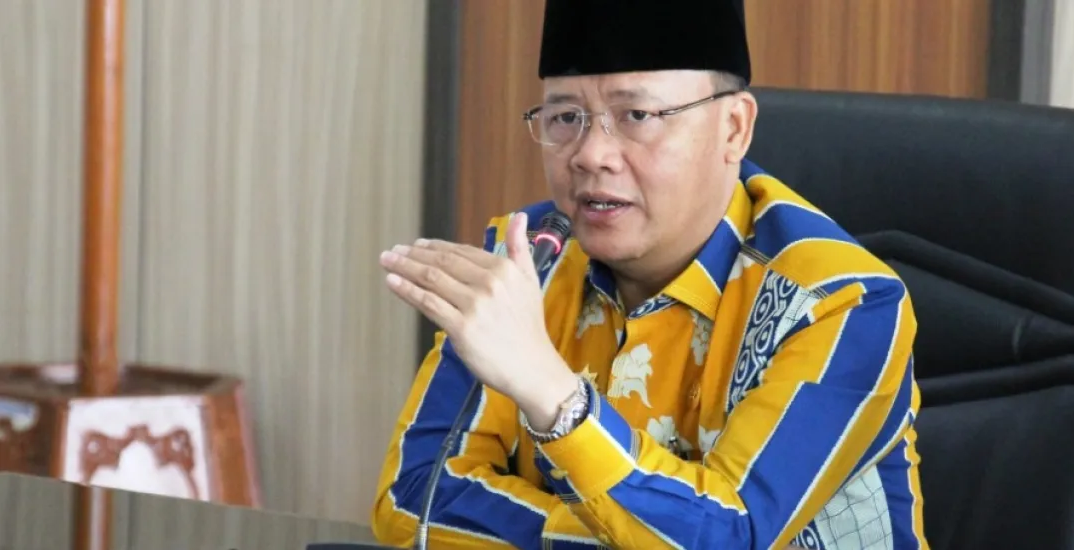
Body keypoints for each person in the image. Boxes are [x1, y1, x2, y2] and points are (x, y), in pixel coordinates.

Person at [372, 1, 927, 548]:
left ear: (734, 129)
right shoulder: (529, 261)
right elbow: (412, 497)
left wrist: (553, 395)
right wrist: (612, 536)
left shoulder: (838, 302)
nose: (591, 155)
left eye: (636, 116)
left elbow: (732, 537)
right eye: (566, 118)